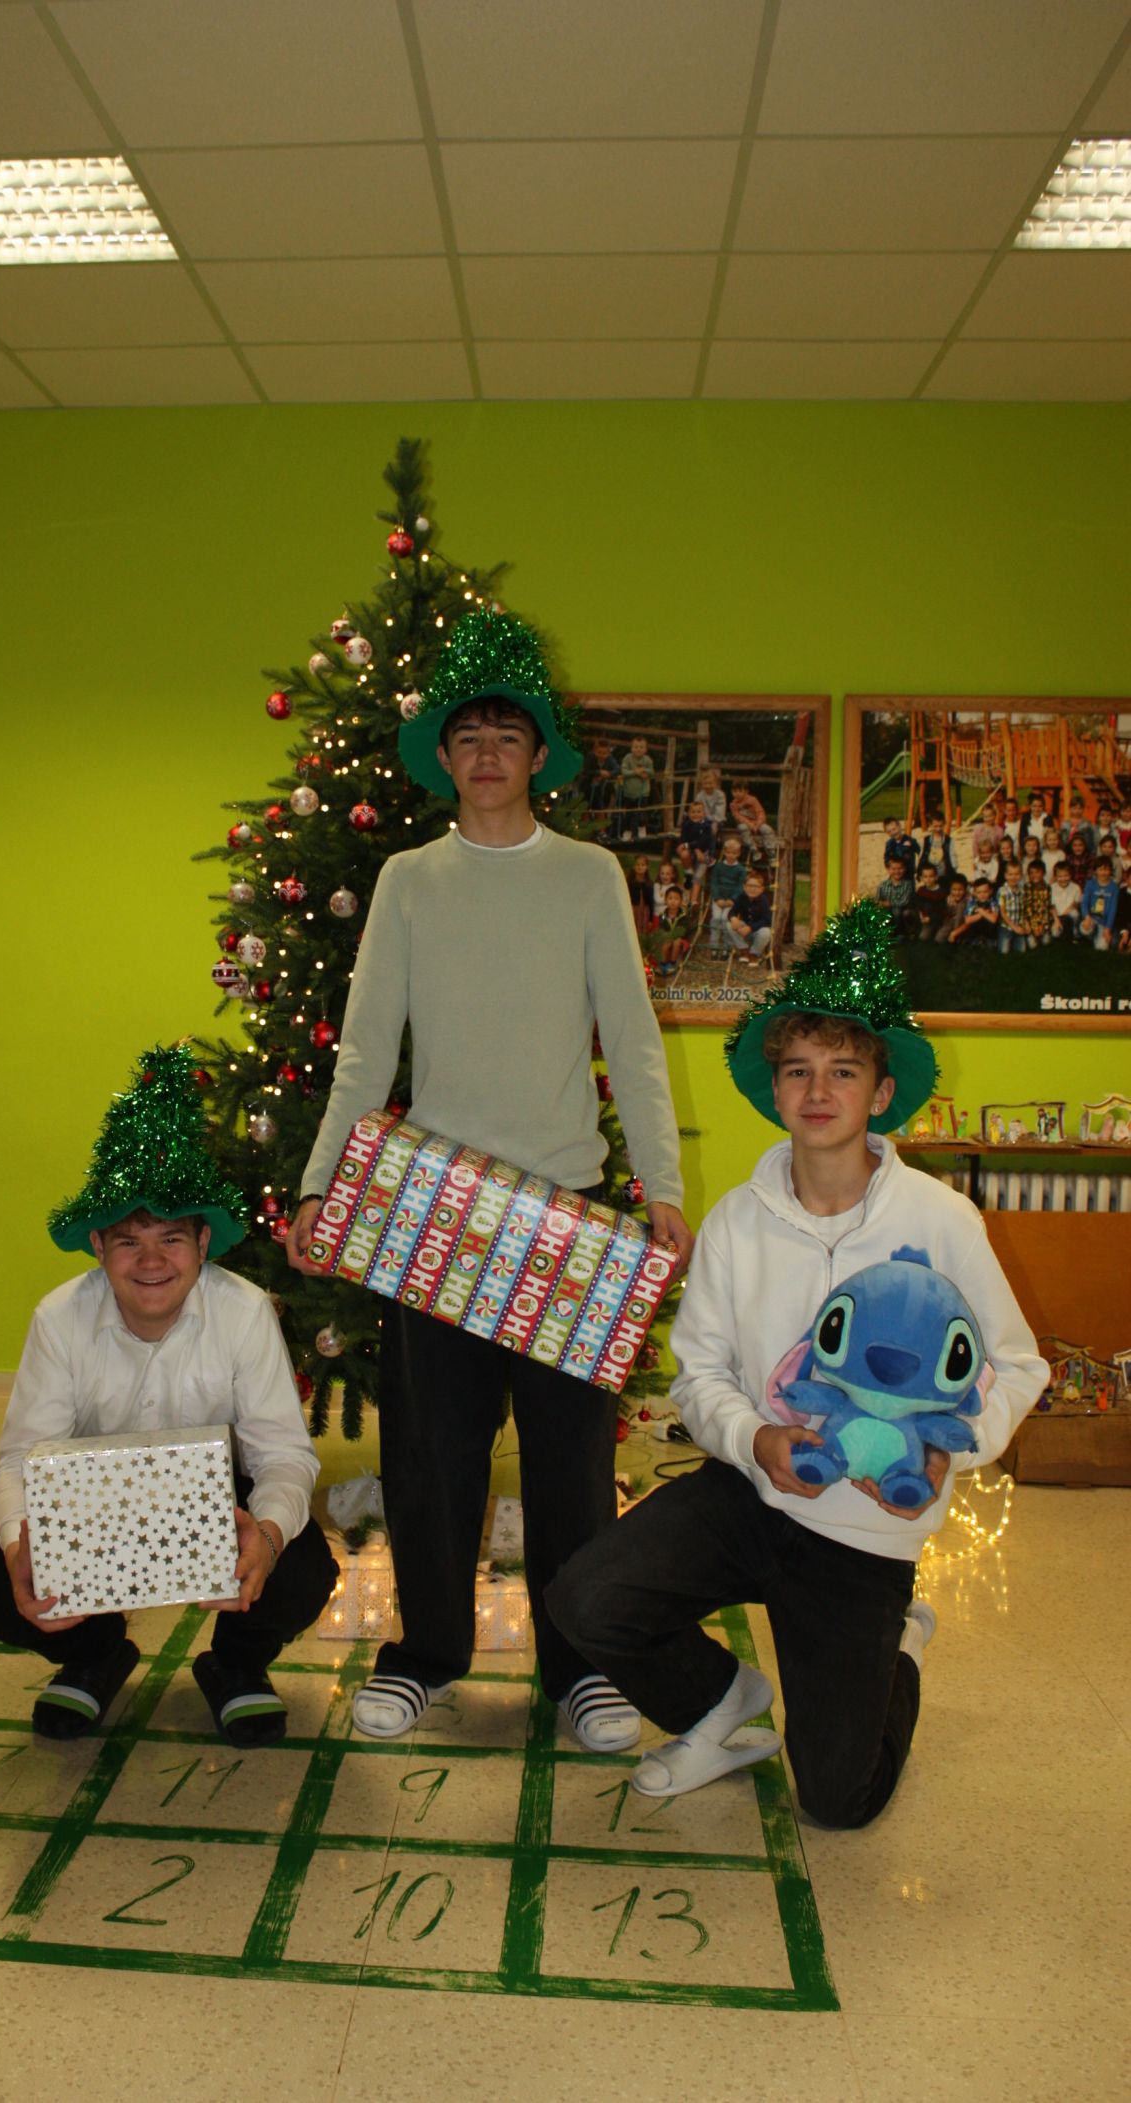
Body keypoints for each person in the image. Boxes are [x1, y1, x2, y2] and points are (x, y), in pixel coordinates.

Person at [546, 901, 1047, 1827]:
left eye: (843, 1071)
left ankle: (898, 1647)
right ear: (775, 1090)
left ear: (881, 1093)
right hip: (753, 1490)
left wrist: (955, 1448)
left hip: (866, 1529)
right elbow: (699, 1374)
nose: (818, 1091)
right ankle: (719, 1701)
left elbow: (1020, 1364)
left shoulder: (941, 1221)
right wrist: (754, 1439)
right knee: (585, 1597)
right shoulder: (738, 1221)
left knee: (838, 1800)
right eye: (798, 1070)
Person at [286, 608, 692, 1752]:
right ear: (444, 755)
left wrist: (658, 1184)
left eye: (506, 734)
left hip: (564, 1217)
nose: (485, 752)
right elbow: (366, 1049)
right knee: (428, 1461)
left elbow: (633, 1039)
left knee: (570, 1469)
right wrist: (321, 1188)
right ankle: (423, 1656)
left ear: (537, 756)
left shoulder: (587, 877)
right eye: (466, 734)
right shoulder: (407, 880)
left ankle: (581, 1670)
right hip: (432, 1216)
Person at [0, 1042, 337, 1746]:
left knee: (303, 1568)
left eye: (172, 1238)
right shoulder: (59, 1318)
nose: (153, 1261)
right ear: (98, 1247)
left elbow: (285, 1454)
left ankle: (236, 1663)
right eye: (130, 1242)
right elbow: (21, 1458)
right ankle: (95, 1653)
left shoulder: (244, 1311)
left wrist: (267, 1537)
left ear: (204, 1242)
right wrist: (18, 1549)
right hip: (92, 1497)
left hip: (221, 1495)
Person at [706, 831, 750, 957]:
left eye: (734, 853)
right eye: (729, 853)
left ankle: (727, 947)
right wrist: (717, 898)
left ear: (738, 854)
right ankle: (714, 947)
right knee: (716, 919)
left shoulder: (740, 869)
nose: (731, 855)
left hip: (731, 902)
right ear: (724, 852)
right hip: (718, 900)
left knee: (726, 921)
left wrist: (733, 899)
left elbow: (740, 886)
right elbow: (714, 883)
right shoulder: (719, 867)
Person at [726, 868, 773, 966]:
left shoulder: (763, 900)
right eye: (750, 885)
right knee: (729, 924)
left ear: (762, 889)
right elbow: (732, 911)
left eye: (756, 886)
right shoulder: (741, 897)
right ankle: (744, 949)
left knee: (766, 932)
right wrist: (733, 918)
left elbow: (767, 920)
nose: (753, 889)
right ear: (744, 887)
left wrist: (750, 928)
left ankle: (754, 954)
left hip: (757, 931)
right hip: (744, 929)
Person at [618, 735, 656, 840]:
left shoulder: (647, 760)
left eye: (641, 747)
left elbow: (652, 772)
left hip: (643, 792)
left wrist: (644, 770)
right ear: (631, 748)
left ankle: (642, 829)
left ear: (645, 749)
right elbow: (624, 771)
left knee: (642, 813)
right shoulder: (627, 758)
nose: (638, 749)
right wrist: (635, 772)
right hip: (629, 792)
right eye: (636, 747)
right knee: (628, 814)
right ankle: (627, 831)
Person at [1080, 855, 1118, 949]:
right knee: (1084, 929)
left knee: (1102, 947)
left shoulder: (1114, 887)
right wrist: (1087, 917)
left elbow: (1112, 910)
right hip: (1092, 918)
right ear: (1095, 871)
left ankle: (1097, 936)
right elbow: (1084, 903)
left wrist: (1107, 928)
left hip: (1103, 922)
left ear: (1110, 871)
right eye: (1100, 869)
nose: (1103, 873)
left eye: (1106, 870)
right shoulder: (1090, 884)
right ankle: (1092, 935)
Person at [875, 854, 916, 940]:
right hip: (887, 909)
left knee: (897, 911)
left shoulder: (907, 884)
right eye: (893, 869)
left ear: (904, 869)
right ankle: (886, 932)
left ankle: (900, 933)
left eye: (900, 868)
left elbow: (905, 901)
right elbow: (878, 899)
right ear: (888, 869)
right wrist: (880, 903)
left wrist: (890, 903)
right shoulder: (883, 885)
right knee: (882, 912)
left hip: (902, 910)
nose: (897, 871)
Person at [996, 857, 1027, 955]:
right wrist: (1014, 927)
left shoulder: (1022, 889)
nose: (1013, 877)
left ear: (1021, 875)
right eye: (1010, 874)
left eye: (1017, 874)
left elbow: (1024, 908)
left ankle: (1014, 940)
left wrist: (1025, 923)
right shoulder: (1002, 891)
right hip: (1006, 926)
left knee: (1022, 950)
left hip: (1019, 923)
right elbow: (1002, 913)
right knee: (1004, 952)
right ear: (1005, 875)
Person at [1049, 858, 1080, 940]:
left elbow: (1075, 904)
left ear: (1070, 875)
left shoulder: (1076, 887)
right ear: (1055, 877)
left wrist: (1065, 913)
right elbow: (1051, 906)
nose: (1063, 879)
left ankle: (1075, 932)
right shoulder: (1052, 888)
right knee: (1055, 934)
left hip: (1069, 915)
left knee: (1075, 914)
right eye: (1060, 876)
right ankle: (1062, 931)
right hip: (1057, 916)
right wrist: (1057, 920)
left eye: (1066, 875)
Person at [934, 873, 970, 943]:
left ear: (965, 889)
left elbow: (969, 919)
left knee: (960, 906)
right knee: (939, 938)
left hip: (964, 923)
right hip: (951, 921)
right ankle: (951, 935)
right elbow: (947, 915)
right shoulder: (949, 898)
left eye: (960, 890)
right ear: (950, 889)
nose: (957, 893)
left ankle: (958, 936)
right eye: (954, 889)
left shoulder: (968, 899)